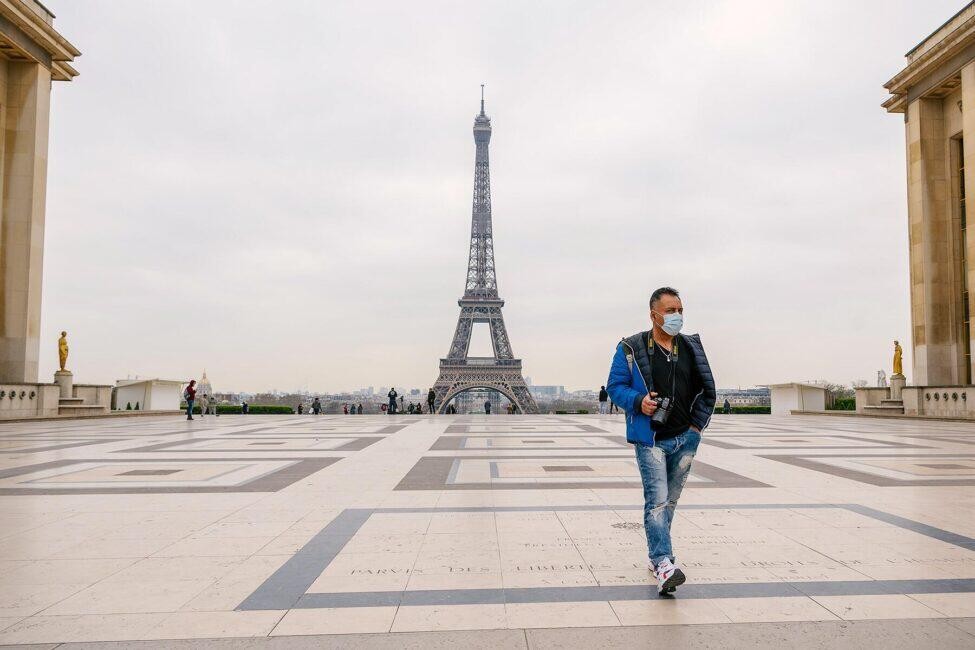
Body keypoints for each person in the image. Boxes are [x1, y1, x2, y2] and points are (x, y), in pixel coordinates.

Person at [606, 286, 715, 596]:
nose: (676, 315)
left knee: (670, 501)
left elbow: (707, 389)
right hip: (651, 438)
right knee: (657, 501)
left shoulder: (691, 347)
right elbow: (615, 386)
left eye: (680, 310)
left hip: (685, 437)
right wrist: (639, 400)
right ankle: (663, 562)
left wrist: (696, 428)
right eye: (670, 311)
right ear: (653, 314)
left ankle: (659, 558)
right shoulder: (631, 348)